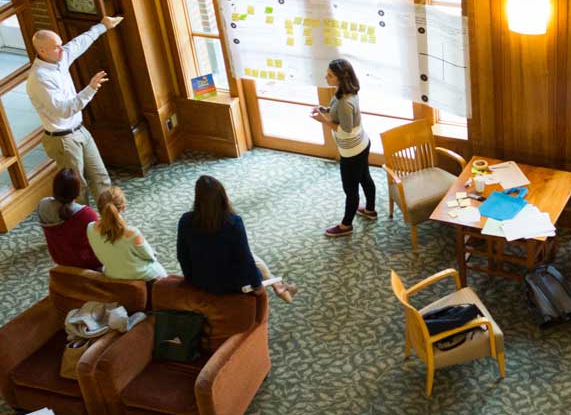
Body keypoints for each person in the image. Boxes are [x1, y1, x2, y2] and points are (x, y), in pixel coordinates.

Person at [26, 16, 124, 202]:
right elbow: (64, 110)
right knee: (77, 189)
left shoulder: (58, 58)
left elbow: (79, 43)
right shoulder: (39, 78)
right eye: (56, 46)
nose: (62, 49)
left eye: (60, 44)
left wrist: (103, 26)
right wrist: (91, 89)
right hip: (63, 139)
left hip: (80, 130)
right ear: (42, 50)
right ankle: (83, 227)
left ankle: (112, 223)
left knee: (101, 178)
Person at [177, 175, 298, 303]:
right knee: (252, 258)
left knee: (252, 257)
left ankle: (278, 285)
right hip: (231, 285)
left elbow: (182, 255)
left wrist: (191, 281)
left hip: (200, 281)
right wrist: (257, 285)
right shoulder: (233, 222)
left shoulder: (185, 220)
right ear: (222, 197)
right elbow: (244, 259)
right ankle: (279, 286)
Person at [310, 58, 377, 238]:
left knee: (350, 189)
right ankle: (370, 210)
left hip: (352, 150)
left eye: (330, 75)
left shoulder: (344, 101)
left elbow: (345, 128)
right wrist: (325, 110)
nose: (326, 77)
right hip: (362, 142)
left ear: (340, 78)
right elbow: (341, 115)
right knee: (364, 177)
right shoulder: (347, 92)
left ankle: (346, 225)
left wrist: (323, 121)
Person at [87, 186, 166, 281]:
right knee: (160, 271)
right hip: (142, 276)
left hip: (112, 274)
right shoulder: (131, 233)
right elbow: (150, 257)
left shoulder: (90, 228)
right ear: (123, 207)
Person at [36, 168, 101, 270]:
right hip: (88, 263)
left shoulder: (43, 205)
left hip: (60, 259)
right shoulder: (87, 214)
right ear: (77, 191)